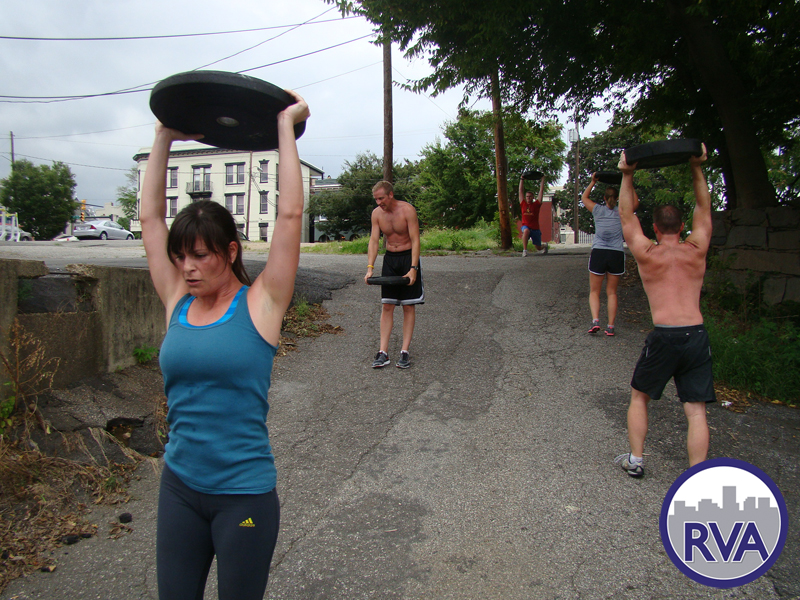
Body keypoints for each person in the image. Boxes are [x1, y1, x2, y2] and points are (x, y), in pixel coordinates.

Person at [140, 91, 310, 599]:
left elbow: (289, 216)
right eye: (181, 257)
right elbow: (150, 220)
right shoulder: (177, 300)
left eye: (200, 256)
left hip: (243, 498)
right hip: (179, 487)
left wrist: (285, 126)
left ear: (231, 251)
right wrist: (164, 136)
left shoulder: (263, 302)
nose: (187, 267)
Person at [614, 143, 715, 477]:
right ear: (683, 226)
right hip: (695, 335)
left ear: (655, 228)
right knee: (696, 410)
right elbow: (704, 206)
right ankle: (696, 475)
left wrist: (627, 174)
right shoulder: (697, 248)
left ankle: (636, 460)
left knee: (639, 397)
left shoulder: (647, 253)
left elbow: (626, 216)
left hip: (665, 337)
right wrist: (697, 166)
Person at [364, 181, 423, 369]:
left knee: (408, 306)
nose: (379, 202)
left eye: (381, 198)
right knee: (387, 305)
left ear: (390, 195)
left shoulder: (407, 210)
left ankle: (404, 352)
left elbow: (415, 240)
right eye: (376, 199)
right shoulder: (376, 214)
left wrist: (413, 268)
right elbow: (374, 240)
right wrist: (370, 267)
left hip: (408, 258)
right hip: (390, 259)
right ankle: (383, 352)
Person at [581, 173, 638, 336]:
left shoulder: (597, 210)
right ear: (617, 198)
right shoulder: (622, 212)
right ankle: (611, 326)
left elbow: (584, 198)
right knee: (612, 292)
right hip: (616, 254)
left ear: (604, 198)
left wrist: (593, 182)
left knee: (594, 291)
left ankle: (595, 321)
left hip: (599, 253)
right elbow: (635, 203)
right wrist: (628, 182)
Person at [518, 174, 549, 257]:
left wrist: (542, 180)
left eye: (530, 196)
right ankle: (525, 251)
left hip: (535, 228)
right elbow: (520, 191)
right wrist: (521, 179)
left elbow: (541, 191)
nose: (528, 198)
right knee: (526, 231)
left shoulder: (537, 204)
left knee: (538, 247)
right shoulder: (523, 204)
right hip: (526, 226)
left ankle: (545, 246)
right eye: (527, 196)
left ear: (533, 197)